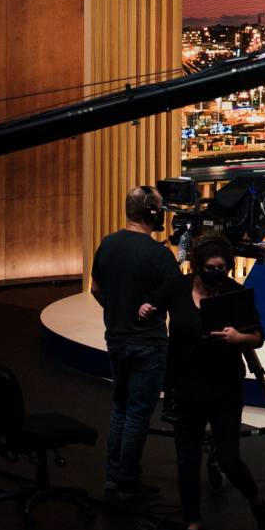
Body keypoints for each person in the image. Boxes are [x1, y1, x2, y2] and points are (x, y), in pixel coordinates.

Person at [139, 234, 265, 530]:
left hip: (224, 388)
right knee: (187, 460)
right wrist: (146, 308)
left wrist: (236, 337)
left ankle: (257, 504)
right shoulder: (177, 287)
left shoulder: (234, 293)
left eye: (222, 267)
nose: (217, 272)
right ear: (198, 267)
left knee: (229, 458)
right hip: (186, 387)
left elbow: (257, 337)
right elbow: (154, 304)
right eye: (211, 268)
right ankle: (192, 529)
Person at [90, 185, 181, 501]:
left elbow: (96, 289)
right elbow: (176, 297)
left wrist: (119, 312)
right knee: (139, 414)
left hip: (115, 340)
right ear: (152, 213)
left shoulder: (107, 244)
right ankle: (127, 480)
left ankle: (113, 476)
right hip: (148, 344)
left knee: (121, 408)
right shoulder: (159, 254)